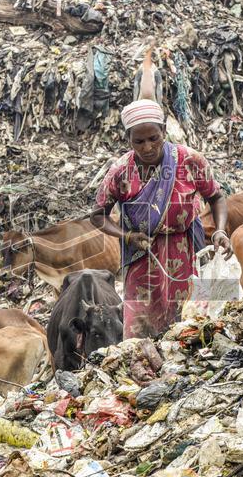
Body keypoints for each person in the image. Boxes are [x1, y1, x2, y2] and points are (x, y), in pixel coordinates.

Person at [91, 98, 232, 339]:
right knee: (138, 328)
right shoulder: (121, 171)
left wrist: (219, 231)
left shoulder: (190, 161)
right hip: (141, 254)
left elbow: (216, 197)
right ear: (129, 140)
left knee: (189, 323)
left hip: (184, 251)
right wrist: (126, 235)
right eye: (139, 141)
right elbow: (97, 216)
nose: (147, 147)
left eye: (153, 138)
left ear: (164, 132)